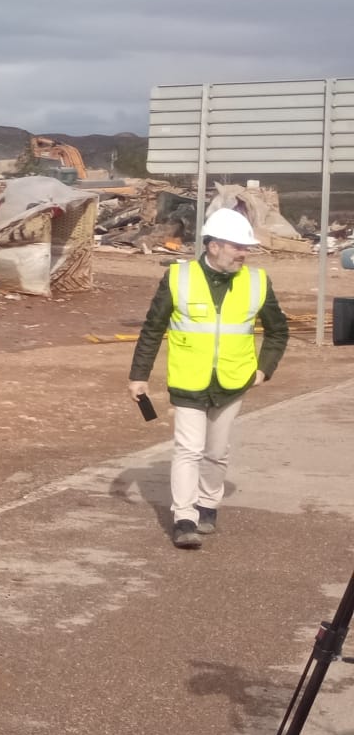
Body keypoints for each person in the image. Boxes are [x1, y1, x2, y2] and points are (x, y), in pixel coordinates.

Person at [129, 207, 290, 549]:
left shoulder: (257, 281)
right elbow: (153, 328)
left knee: (216, 452)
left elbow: (278, 331)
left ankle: (208, 505)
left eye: (246, 247)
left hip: (233, 380)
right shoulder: (178, 277)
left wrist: (265, 368)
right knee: (188, 450)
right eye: (237, 246)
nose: (244, 253)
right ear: (213, 246)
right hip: (189, 380)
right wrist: (138, 376)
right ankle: (184, 517)